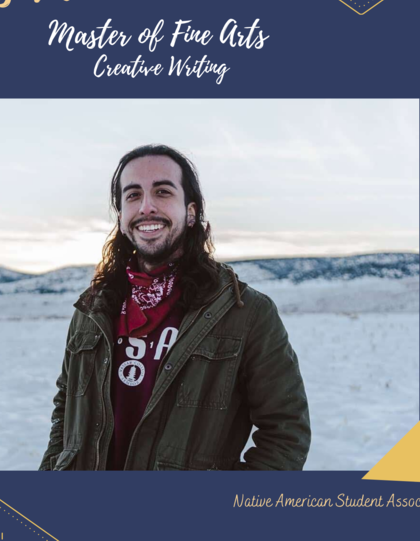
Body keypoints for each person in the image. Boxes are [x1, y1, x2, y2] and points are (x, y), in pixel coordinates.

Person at [39, 145, 310, 471]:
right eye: (133, 195)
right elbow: (65, 410)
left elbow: (286, 431)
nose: (146, 207)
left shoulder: (245, 313)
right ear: (122, 216)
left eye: (163, 192)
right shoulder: (94, 308)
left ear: (191, 212)